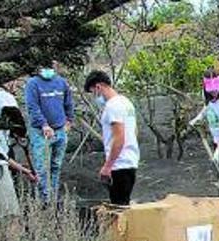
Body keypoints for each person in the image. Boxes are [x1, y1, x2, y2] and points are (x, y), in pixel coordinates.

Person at [84, 71, 139, 206]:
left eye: (93, 92)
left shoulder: (112, 106)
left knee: (118, 208)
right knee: (124, 203)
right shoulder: (126, 102)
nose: (95, 97)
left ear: (98, 87)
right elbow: (135, 131)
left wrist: (108, 166)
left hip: (119, 165)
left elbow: (119, 137)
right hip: (131, 160)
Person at [23, 62, 74, 202]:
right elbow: (32, 107)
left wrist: (69, 120)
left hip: (60, 130)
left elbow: (68, 103)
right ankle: (44, 200)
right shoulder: (33, 84)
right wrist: (44, 125)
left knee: (56, 166)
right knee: (42, 168)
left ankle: (54, 197)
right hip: (41, 132)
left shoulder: (61, 83)